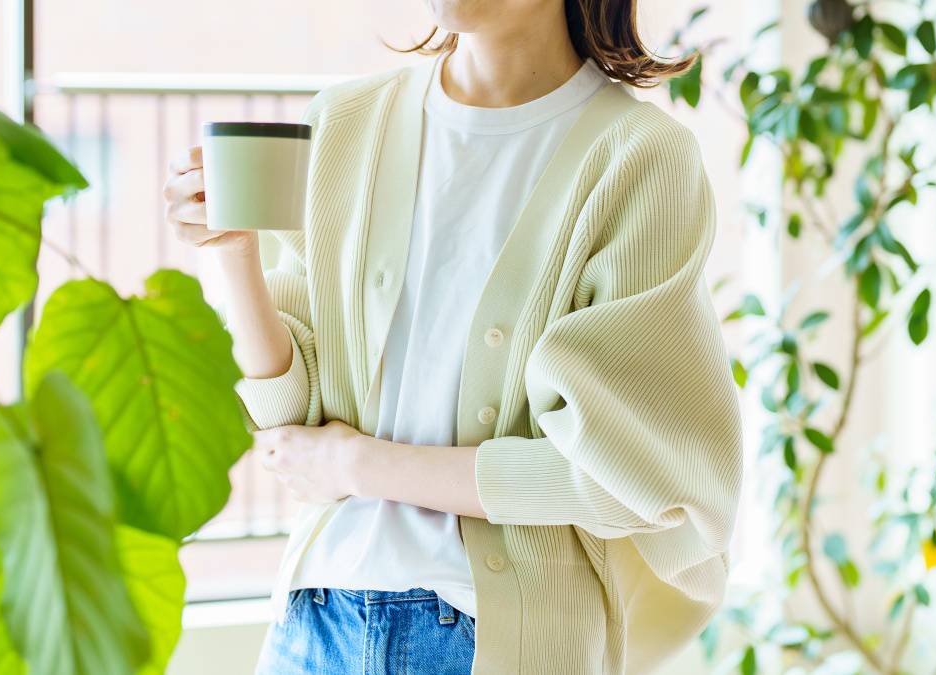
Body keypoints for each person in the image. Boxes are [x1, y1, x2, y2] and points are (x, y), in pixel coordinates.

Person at [162, 0, 744, 672]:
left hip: (493, 636)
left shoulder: (641, 159)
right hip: (316, 619)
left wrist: (361, 465)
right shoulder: (341, 124)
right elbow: (289, 420)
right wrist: (232, 252)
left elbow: (630, 476)